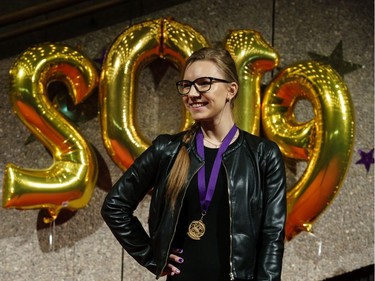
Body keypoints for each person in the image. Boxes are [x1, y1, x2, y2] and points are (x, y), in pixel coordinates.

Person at [101, 47, 287, 281]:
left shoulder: (263, 155)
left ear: (231, 90)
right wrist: (151, 256)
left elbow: (273, 235)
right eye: (186, 85)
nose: (192, 93)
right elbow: (114, 206)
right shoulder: (168, 149)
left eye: (204, 83)